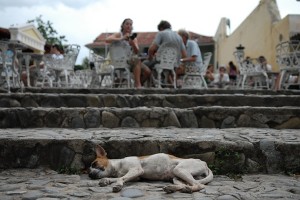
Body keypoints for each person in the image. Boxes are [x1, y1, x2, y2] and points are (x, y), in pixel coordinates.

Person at [105, 18, 151, 88]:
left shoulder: (133, 38)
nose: (129, 26)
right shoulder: (118, 35)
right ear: (122, 26)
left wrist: (133, 44)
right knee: (136, 60)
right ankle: (137, 85)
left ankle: (136, 85)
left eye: (130, 24)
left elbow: (136, 52)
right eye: (127, 24)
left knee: (147, 72)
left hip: (130, 60)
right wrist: (122, 38)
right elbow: (107, 40)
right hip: (118, 60)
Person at [145, 20, 187, 86]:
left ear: (161, 28)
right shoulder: (179, 37)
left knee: (144, 64)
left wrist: (150, 57)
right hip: (174, 65)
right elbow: (184, 55)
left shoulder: (161, 33)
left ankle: (148, 85)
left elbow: (151, 49)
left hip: (160, 63)